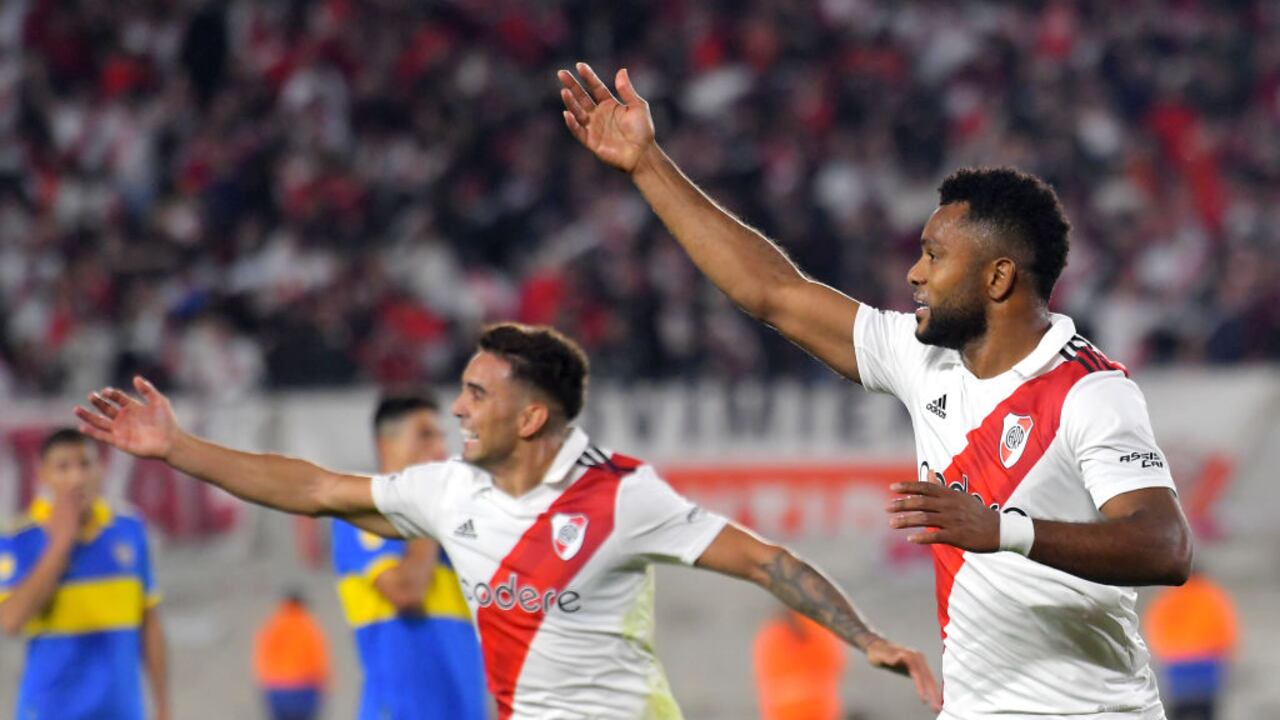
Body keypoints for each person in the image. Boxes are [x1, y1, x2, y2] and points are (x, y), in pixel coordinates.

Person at [558, 63, 1193, 719]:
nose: (915, 272)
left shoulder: (1089, 392)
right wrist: (647, 165)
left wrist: (1003, 530)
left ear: (998, 278)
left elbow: (1166, 547)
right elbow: (773, 292)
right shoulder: (923, 361)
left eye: (935, 255)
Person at [74, 323, 940, 720]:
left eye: (476, 394)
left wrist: (866, 638)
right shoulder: (448, 492)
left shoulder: (624, 497)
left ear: (531, 418)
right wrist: (179, 448)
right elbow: (314, 488)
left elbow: (764, 561)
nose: (457, 409)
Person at [331, 393, 487, 719]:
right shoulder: (361, 514)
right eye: (425, 435)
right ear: (386, 444)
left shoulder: (457, 525)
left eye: (441, 437)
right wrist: (429, 506)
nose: (440, 450)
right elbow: (406, 592)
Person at [0, 428, 171, 720]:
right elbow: (10, 621)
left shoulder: (129, 529)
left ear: (100, 470)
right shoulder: (20, 538)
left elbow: (149, 621)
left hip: (122, 712)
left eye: (85, 464)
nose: (77, 477)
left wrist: (163, 706)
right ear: (43, 475)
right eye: (63, 467)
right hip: (50, 712)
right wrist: (60, 546)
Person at [1143, 569, 1239, 720]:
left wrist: (1166, 650)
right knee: (1206, 709)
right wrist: (1224, 653)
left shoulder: (1169, 597)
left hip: (1177, 663)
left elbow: (1156, 625)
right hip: (1207, 661)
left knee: (1178, 708)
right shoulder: (1212, 595)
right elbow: (1226, 627)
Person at [753, 607, 846, 720]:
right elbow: (835, 661)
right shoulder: (815, 629)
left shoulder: (770, 635)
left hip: (789, 712)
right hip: (816, 710)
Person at [253, 590, 330, 720]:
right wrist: (323, 686)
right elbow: (318, 660)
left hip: (276, 689)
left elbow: (262, 655)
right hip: (304, 689)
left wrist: (265, 684)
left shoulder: (273, 626)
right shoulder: (308, 627)